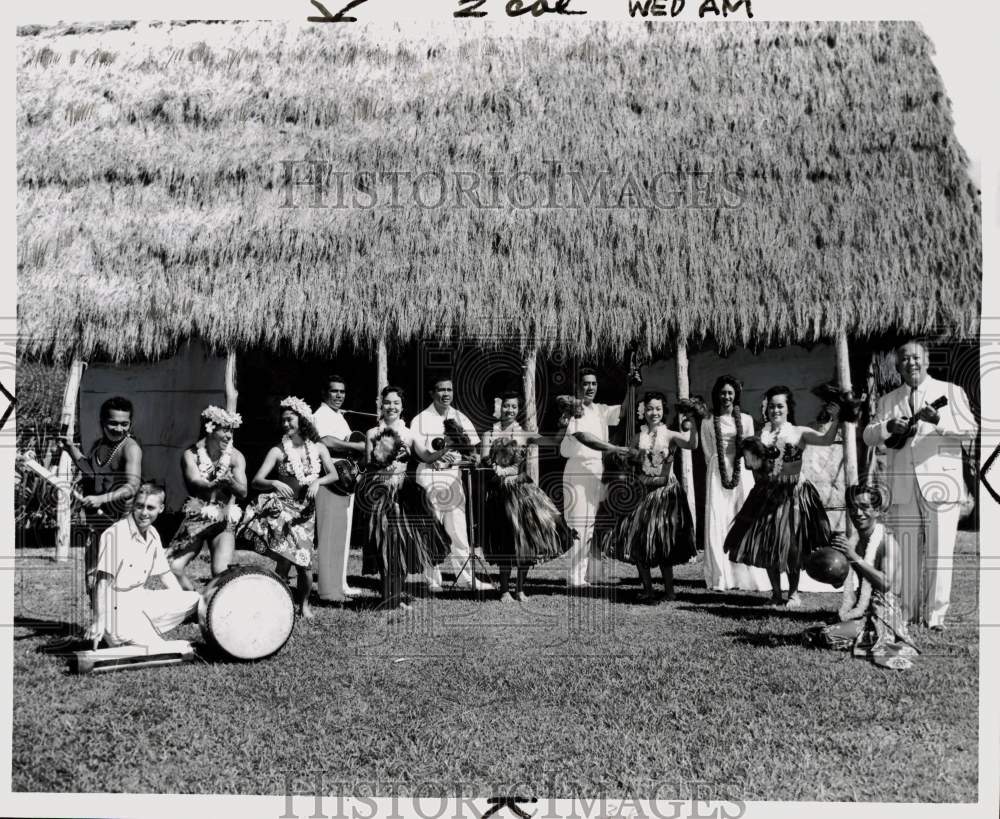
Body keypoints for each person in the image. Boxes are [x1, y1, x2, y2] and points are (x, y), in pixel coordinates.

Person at [862, 340, 977, 629]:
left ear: (926, 361)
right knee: (905, 552)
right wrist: (888, 427)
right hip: (902, 486)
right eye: (904, 359)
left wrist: (938, 420)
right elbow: (867, 436)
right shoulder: (889, 400)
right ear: (897, 366)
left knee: (940, 552)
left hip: (942, 483)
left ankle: (935, 616)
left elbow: (970, 430)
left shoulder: (951, 392)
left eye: (916, 357)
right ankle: (906, 611)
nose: (910, 363)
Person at [724, 385, 841, 608]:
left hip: (795, 494)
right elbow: (754, 466)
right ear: (765, 409)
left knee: (793, 545)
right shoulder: (759, 435)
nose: (775, 410)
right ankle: (776, 594)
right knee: (769, 544)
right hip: (767, 495)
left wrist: (835, 419)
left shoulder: (799, 432)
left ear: (788, 408)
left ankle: (794, 593)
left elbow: (826, 439)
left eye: (780, 406)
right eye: (771, 406)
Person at [239, 397, 340, 619]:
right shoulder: (277, 451)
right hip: (282, 511)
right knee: (285, 562)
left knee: (304, 563)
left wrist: (317, 481)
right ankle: (276, 604)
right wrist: (274, 482)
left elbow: (334, 474)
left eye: (290, 420)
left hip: (306, 514)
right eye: (283, 421)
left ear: (302, 420)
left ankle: (303, 605)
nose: (285, 425)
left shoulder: (319, 448)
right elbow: (256, 480)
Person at [803, 483, 919, 670]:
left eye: (864, 507)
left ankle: (869, 636)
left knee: (827, 635)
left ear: (877, 510)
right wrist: (824, 563)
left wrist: (853, 557)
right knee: (812, 633)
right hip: (863, 608)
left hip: (886, 613)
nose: (858, 513)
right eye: (853, 507)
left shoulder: (887, 542)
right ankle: (858, 631)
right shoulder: (855, 541)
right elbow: (840, 581)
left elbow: (885, 584)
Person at [361, 386, 452, 611]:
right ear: (380, 405)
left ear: (402, 407)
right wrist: (381, 461)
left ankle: (397, 595)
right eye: (387, 402)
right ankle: (385, 596)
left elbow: (426, 456)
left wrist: (444, 448)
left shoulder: (409, 433)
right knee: (383, 544)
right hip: (380, 493)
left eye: (396, 403)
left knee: (402, 544)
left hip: (404, 494)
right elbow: (366, 464)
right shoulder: (372, 433)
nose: (391, 407)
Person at [480, 391, 575, 602]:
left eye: (514, 407)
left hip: (523, 493)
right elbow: (484, 461)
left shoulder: (524, 434)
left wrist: (564, 423)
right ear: (499, 407)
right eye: (506, 406)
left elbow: (554, 442)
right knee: (505, 541)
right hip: (499, 494)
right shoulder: (489, 434)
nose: (510, 410)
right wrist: (497, 470)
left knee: (527, 541)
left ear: (518, 409)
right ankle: (504, 590)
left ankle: (520, 589)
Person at [86, 483, 200, 649]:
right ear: (133, 505)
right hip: (116, 609)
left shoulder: (153, 534)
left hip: (139, 600)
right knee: (167, 649)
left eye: (150, 508)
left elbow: (166, 574)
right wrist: (98, 620)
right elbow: (102, 582)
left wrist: (179, 601)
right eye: (139, 506)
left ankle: (142, 633)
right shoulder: (115, 534)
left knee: (197, 599)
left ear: (160, 509)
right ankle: (124, 636)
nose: (144, 513)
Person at [611, 393, 699, 602]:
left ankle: (670, 591)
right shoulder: (636, 437)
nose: (654, 413)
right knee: (639, 540)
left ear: (663, 411)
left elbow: (691, 445)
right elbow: (628, 463)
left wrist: (693, 424)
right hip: (643, 493)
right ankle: (648, 589)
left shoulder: (669, 435)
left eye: (658, 409)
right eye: (650, 408)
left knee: (663, 541)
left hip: (665, 495)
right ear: (643, 411)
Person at [411, 376, 494, 591]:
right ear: (432, 393)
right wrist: (437, 457)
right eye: (441, 389)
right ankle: (433, 580)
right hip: (429, 477)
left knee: (458, 529)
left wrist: (469, 458)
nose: (445, 394)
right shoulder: (420, 419)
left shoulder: (460, 417)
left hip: (454, 478)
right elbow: (418, 453)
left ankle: (466, 578)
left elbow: (473, 450)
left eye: (449, 390)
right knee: (431, 528)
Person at [59, 396, 143, 600]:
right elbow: (90, 469)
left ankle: (117, 626)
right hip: (97, 522)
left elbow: (132, 486)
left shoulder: (131, 448)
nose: (119, 428)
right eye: (113, 423)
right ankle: (100, 623)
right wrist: (70, 448)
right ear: (102, 422)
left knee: (115, 580)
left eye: (124, 424)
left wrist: (101, 499)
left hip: (120, 523)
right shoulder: (100, 445)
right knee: (92, 576)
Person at [559, 368, 630, 588]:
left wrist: (631, 385)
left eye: (593, 384)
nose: (590, 388)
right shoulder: (573, 410)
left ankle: (580, 575)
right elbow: (585, 438)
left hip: (596, 470)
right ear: (578, 387)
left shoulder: (600, 410)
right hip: (578, 469)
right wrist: (613, 447)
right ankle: (573, 576)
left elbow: (624, 411)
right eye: (585, 383)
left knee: (589, 524)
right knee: (578, 523)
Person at [699, 376, 770, 592]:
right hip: (717, 472)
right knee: (718, 518)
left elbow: (751, 449)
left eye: (730, 393)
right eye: (722, 392)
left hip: (741, 471)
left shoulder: (746, 420)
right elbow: (707, 451)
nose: (726, 397)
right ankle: (722, 576)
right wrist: (720, 466)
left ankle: (748, 575)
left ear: (736, 395)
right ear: (717, 395)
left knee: (743, 516)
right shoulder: (708, 421)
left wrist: (738, 465)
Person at [167, 406, 248, 590]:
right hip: (198, 515)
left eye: (231, 430)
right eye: (224, 430)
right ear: (210, 428)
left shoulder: (235, 457)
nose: (229, 435)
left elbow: (243, 492)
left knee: (221, 572)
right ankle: (193, 599)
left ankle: (213, 607)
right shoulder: (192, 454)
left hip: (224, 520)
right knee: (174, 566)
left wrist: (230, 482)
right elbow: (194, 482)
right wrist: (213, 485)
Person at [313, 375, 365, 602]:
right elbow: (327, 441)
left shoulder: (338, 417)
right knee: (330, 535)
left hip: (345, 479)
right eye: (334, 391)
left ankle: (339, 584)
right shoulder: (320, 415)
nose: (339, 395)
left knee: (342, 534)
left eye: (342, 392)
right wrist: (358, 446)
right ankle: (326, 590)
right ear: (324, 393)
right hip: (329, 478)